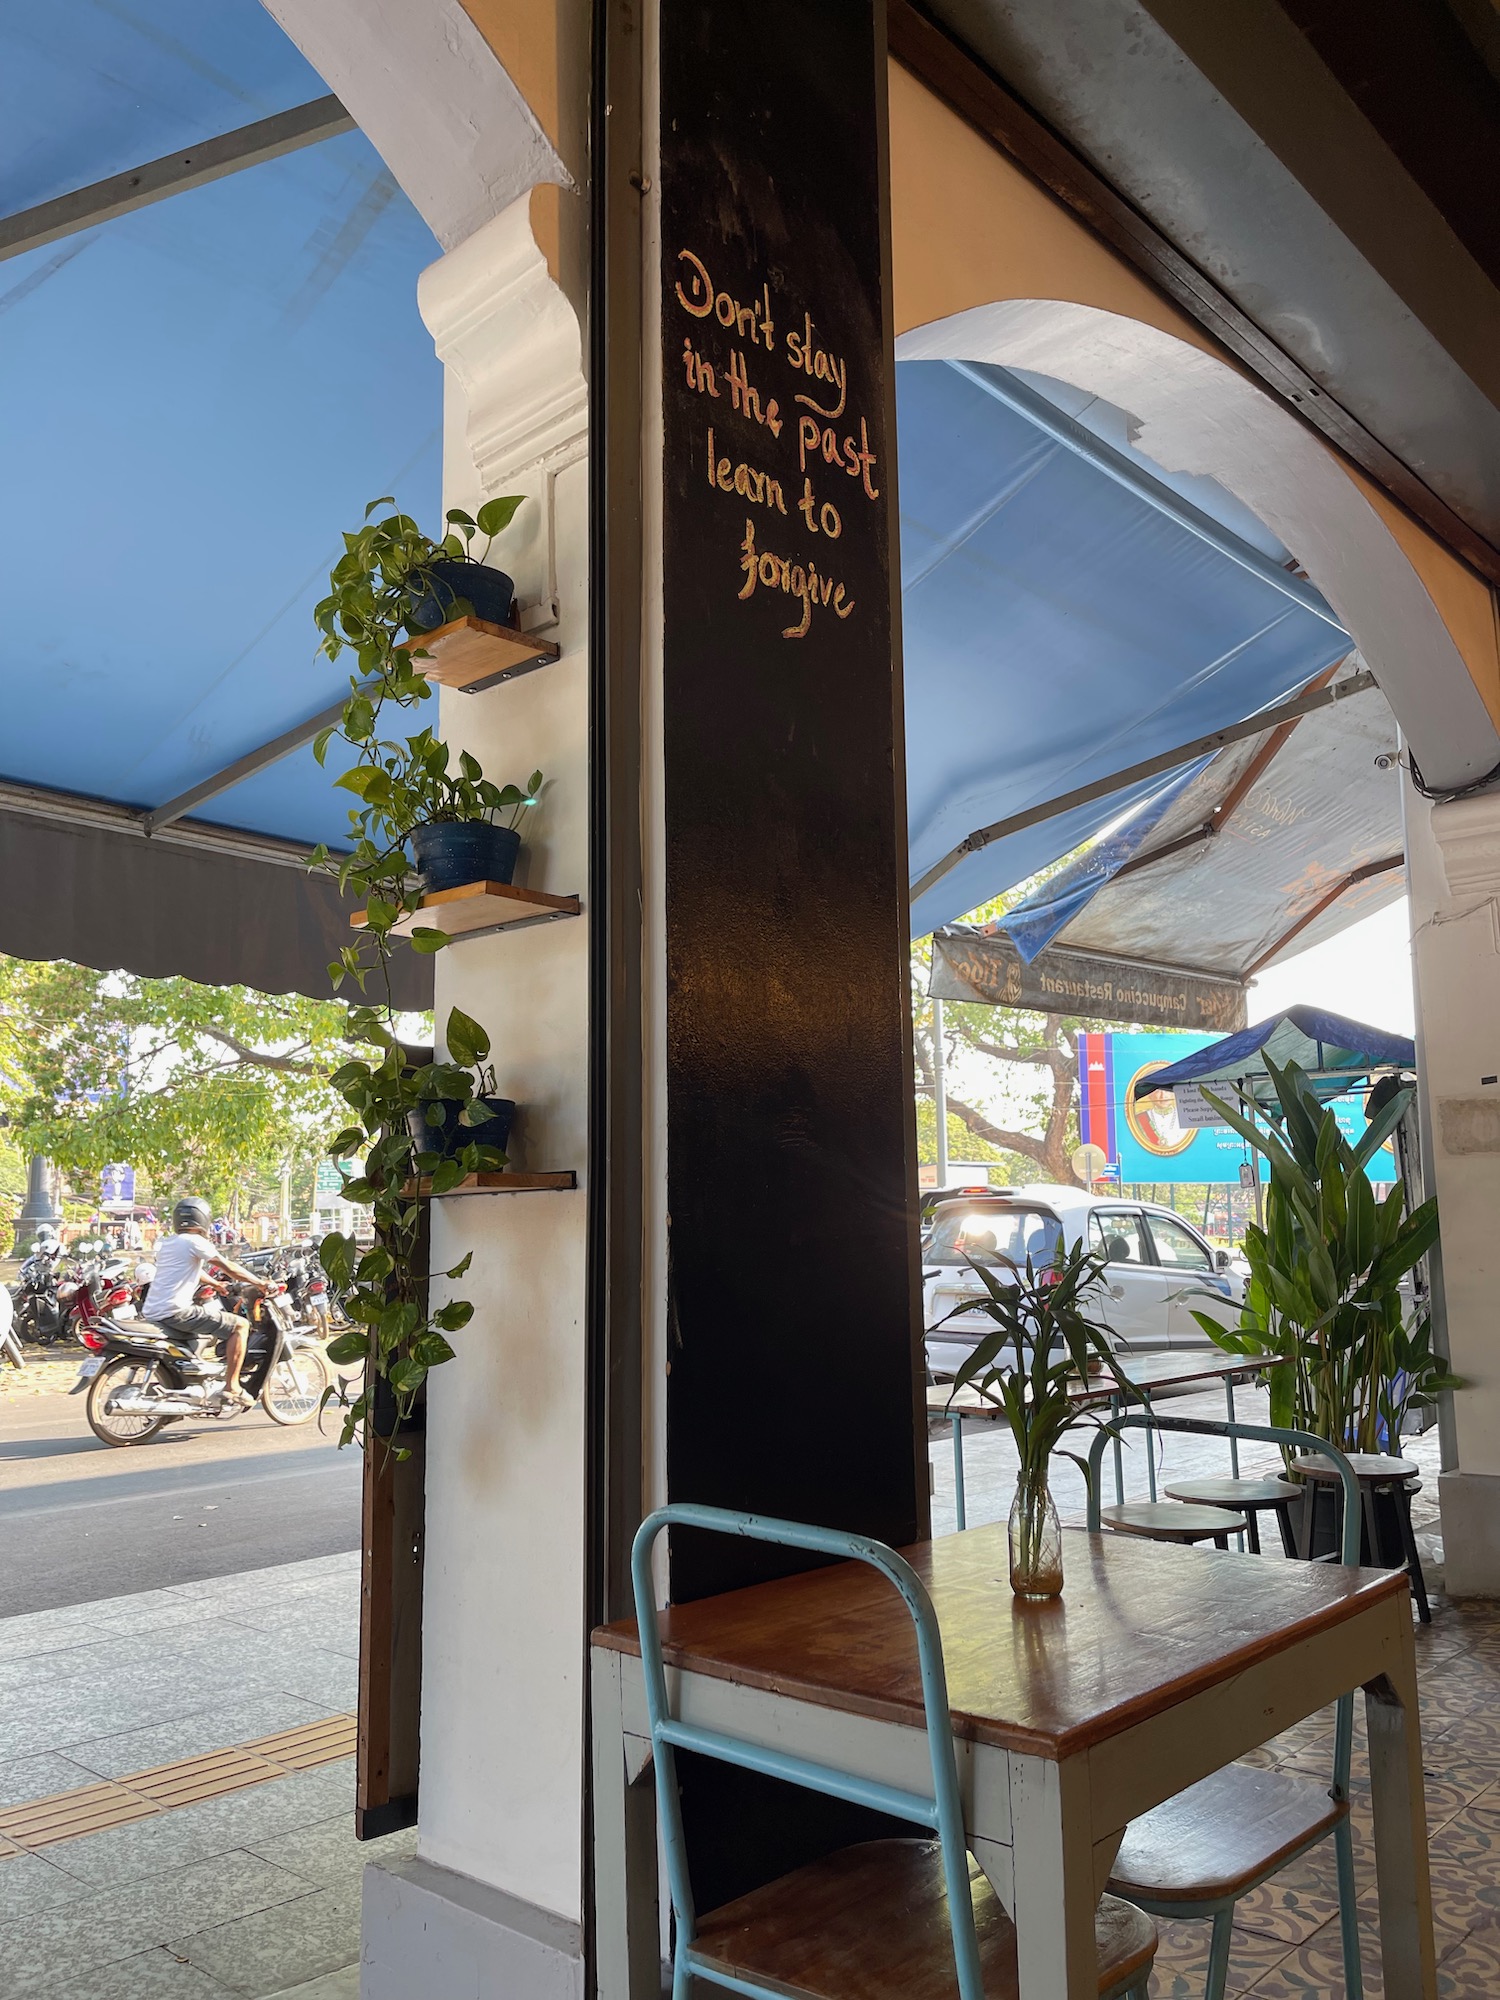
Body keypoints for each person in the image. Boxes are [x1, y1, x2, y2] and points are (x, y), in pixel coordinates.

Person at [141, 1197, 267, 1408]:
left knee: (203, 1333)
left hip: (154, 1311)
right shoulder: (195, 1242)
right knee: (240, 1325)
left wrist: (216, 1285)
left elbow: (190, 1270)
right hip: (177, 1311)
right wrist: (260, 1282)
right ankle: (232, 1387)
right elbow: (228, 1267)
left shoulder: (167, 1243)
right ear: (202, 1219)